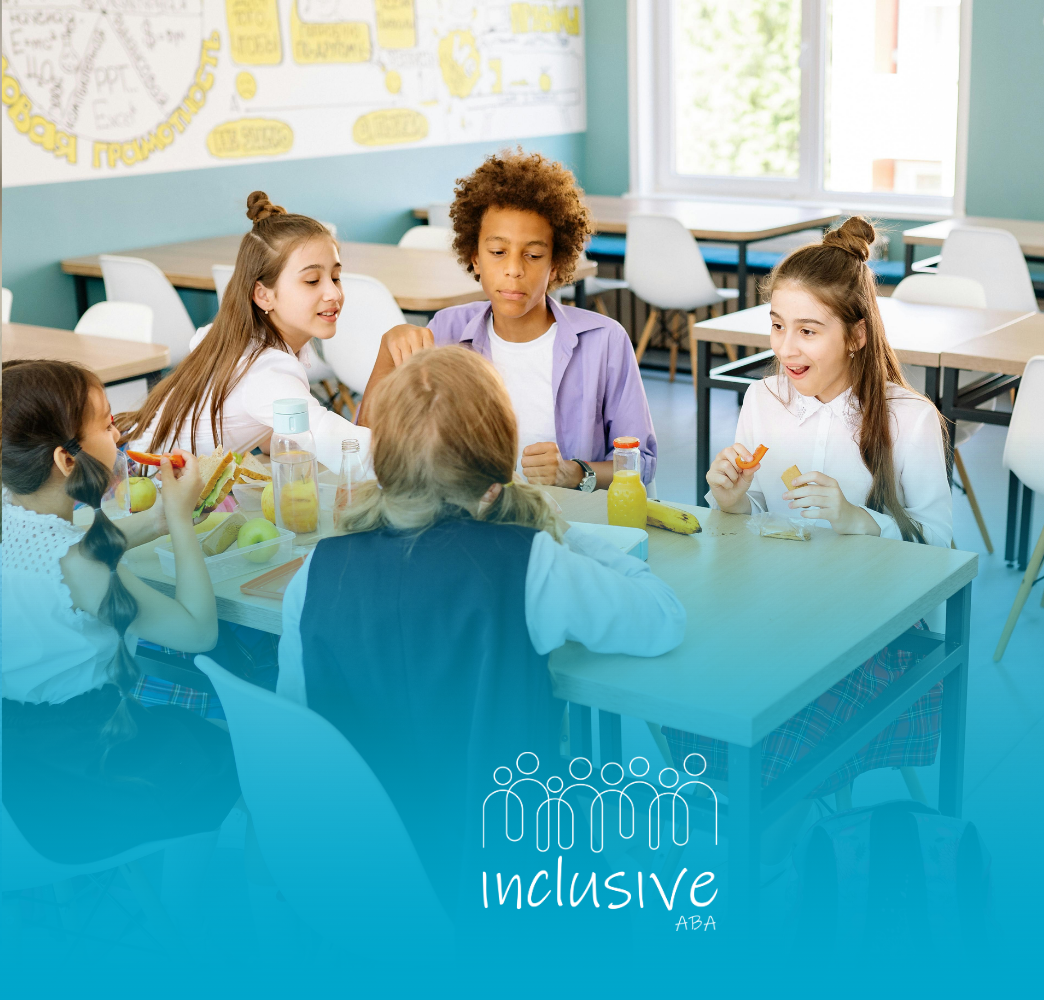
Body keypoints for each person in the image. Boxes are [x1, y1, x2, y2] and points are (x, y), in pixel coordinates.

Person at [276, 346, 685, 913]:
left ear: (382, 468)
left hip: (360, 886)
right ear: (493, 487)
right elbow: (662, 617)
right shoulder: (528, 563)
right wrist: (557, 529)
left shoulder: (315, 572)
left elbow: (299, 734)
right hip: (506, 890)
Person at [666, 217, 952, 810]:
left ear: (856, 335)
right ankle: (764, 821)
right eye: (777, 326)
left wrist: (858, 520)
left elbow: (941, 548)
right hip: (773, 611)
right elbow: (747, 521)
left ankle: (775, 830)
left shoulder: (911, 418)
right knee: (689, 695)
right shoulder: (762, 400)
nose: (785, 349)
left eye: (808, 331)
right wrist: (732, 500)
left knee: (775, 738)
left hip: (872, 631)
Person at [2, 360, 239, 863]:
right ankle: (197, 893)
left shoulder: (13, 515)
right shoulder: (85, 567)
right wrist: (180, 521)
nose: (120, 434)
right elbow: (198, 631)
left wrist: (155, 519)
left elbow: (65, 548)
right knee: (236, 753)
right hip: (91, 782)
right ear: (67, 460)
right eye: (108, 424)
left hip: (18, 775)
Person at [360, 149, 657, 492]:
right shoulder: (445, 331)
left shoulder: (604, 341)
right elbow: (370, 448)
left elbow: (642, 462)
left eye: (533, 255)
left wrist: (574, 472)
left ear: (555, 265)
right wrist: (387, 352)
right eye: (498, 252)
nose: (514, 269)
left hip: (567, 516)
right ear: (475, 258)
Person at [122, 191, 390, 470]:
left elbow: (273, 438)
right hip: (144, 483)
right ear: (263, 295)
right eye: (312, 281)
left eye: (335, 277)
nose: (333, 293)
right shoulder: (267, 370)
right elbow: (354, 455)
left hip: (135, 461)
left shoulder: (239, 339)